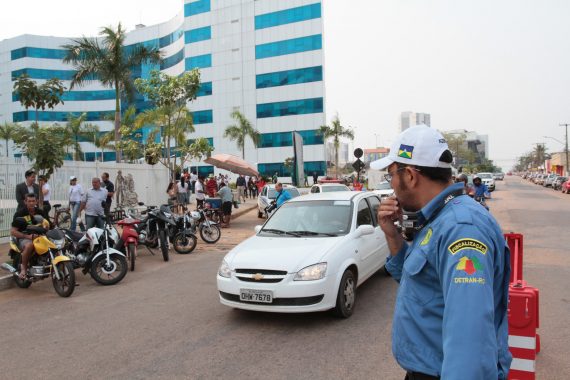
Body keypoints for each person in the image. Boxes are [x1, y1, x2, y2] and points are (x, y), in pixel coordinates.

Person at [371, 125, 511, 379]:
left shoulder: (461, 230)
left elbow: (469, 343)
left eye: (391, 174)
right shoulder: (438, 218)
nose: (390, 184)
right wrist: (392, 234)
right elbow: (421, 285)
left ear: (411, 175)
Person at [11, 193, 49, 279]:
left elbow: (48, 225)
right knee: (29, 245)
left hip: (40, 236)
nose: (31, 203)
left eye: (33, 201)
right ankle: (23, 268)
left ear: (37, 201)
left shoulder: (41, 212)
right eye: (29, 201)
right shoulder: (20, 213)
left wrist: (47, 226)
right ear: (25, 202)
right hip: (24, 237)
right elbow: (13, 231)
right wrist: (27, 236)